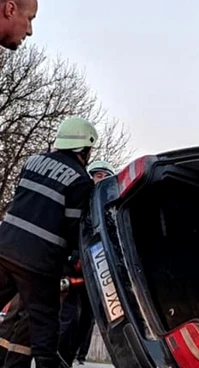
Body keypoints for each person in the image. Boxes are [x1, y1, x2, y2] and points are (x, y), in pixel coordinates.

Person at [0, 117, 97, 368]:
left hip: (5, 247)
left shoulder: (32, 162)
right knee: (44, 328)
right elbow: (73, 229)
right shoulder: (80, 180)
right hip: (38, 263)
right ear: (84, 148)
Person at [58, 160, 115, 366]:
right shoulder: (79, 201)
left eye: (105, 176)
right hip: (72, 267)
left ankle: (71, 356)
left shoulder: (110, 209)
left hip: (96, 271)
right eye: (97, 175)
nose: (100, 179)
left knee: (88, 320)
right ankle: (61, 356)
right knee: (68, 317)